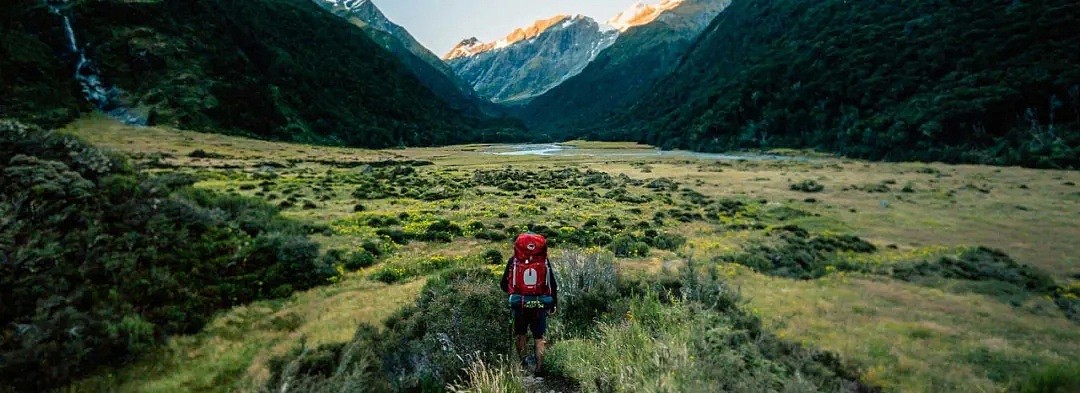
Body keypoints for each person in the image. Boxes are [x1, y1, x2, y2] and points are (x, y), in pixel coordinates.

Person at [500, 233, 558, 372]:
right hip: (540, 304)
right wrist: (553, 304)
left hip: (520, 304)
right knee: (539, 337)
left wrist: (513, 294)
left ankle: (523, 365)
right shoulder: (544, 262)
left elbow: (503, 284)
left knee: (521, 334)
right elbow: (552, 285)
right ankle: (539, 369)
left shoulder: (513, 261)